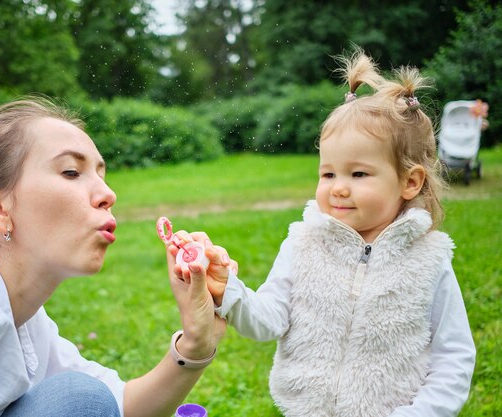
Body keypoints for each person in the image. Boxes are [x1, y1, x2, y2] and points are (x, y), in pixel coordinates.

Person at [0, 97, 231, 417]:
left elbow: (115, 406)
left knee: (78, 398)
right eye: (71, 172)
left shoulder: (15, 310)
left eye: (101, 174)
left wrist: (197, 343)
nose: (108, 194)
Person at [201, 48, 476, 417]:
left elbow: (453, 355)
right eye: (328, 173)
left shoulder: (429, 259)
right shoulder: (303, 243)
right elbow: (267, 319)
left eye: (358, 174)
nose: (338, 188)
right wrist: (229, 291)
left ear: (409, 181)